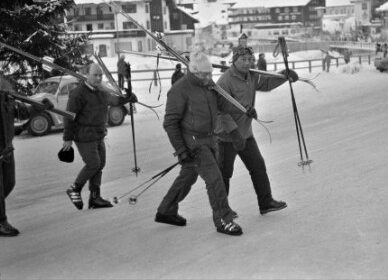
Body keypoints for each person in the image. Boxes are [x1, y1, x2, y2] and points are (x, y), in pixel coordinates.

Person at [155, 52, 244, 236]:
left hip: (210, 139)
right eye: (204, 74)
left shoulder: (208, 85)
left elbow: (223, 104)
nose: (208, 78)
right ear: (194, 72)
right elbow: (170, 123)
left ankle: (166, 209)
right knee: (215, 179)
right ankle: (223, 220)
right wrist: (181, 150)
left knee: (188, 176)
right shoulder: (179, 90)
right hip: (194, 143)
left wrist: (244, 109)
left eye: (210, 74)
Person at [216, 45, 298, 216]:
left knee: (258, 167)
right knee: (224, 174)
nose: (247, 63)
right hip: (226, 136)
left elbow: (266, 84)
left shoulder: (251, 75)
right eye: (243, 60)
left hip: (245, 133)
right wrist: (233, 132)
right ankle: (222, 209)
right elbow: (220, 111)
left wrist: (284, 75)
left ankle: (266, 202)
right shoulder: (225, 82)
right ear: (234, 60)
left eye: (249, 59)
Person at [62, 63, 137, 210]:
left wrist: (128, 98)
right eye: (95, 75)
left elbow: (114, 100)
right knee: (93, 164)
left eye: (100, 75)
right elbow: (68, 116)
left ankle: (95, 198)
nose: (98, 78)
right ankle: (74, 188)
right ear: (86, 75)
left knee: (100, 164)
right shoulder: (78, 93)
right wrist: (67, 138)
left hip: (99, 134)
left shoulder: (101, 91)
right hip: (83, 134)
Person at [1, 74, 54, 236]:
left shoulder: (6, 97)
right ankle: (1, 221)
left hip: (7, 150)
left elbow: (22, 112)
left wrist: (40, 107)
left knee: (9, 183)